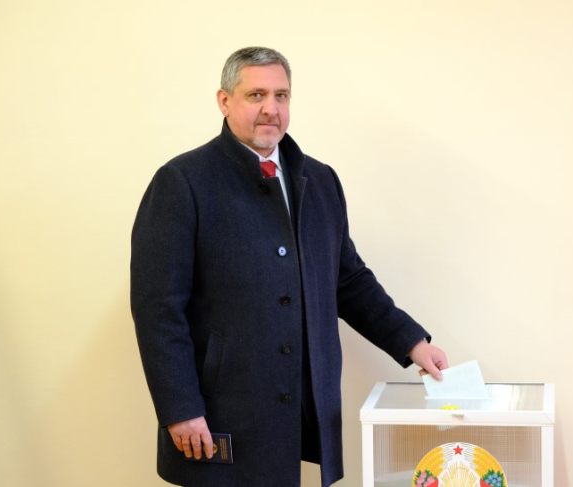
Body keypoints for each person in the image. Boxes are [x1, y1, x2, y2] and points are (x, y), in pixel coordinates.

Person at [131, 46, 448, 487]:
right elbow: (158, 309)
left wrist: (412, 342)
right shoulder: (182, 182)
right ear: (224, 101)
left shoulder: (320, 180)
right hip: (222, 410)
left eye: (281, 96)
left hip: (302, 406)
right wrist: (180, 407)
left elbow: (348, 280)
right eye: (255, 95)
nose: (271, 109)